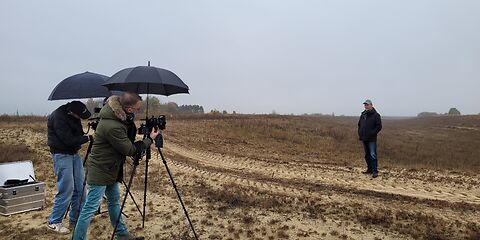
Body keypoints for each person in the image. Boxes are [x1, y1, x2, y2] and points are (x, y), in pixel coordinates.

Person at [73, 92, 159, 240]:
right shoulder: (112, 125)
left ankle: (123, 235)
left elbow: (125, 138)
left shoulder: (117, 118)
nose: (137, 112)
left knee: (114, 202)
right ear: (128, 108)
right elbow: (130, 150)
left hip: (111, 169)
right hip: (101, 170)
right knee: (89, 208)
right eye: (136, 109)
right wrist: (149, 140)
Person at [47, 101, 92, 234]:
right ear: (72, 112)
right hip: (61, 154)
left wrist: (85, 134)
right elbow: (68, 140)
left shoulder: (74, 115)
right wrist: (88, 138)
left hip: (74, 153)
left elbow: (77, 134)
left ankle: (76, 219)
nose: (79, 119)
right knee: (67, 188)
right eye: (79, 116)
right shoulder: (58, 117)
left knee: (81, 187)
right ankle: (54, 221)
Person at [358, 99, 382, 178]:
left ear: (372, 105)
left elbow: (379, 126)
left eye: (367, 105)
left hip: (371, 139)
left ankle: (375, 171)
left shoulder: (376, 115)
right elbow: (359, 125)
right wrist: (360, 133)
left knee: (373, 154)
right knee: (367, 155)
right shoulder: (363, 115)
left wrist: (372, 133)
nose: (366, 106)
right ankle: (369, 169)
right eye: (365, 105)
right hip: (364, 138)